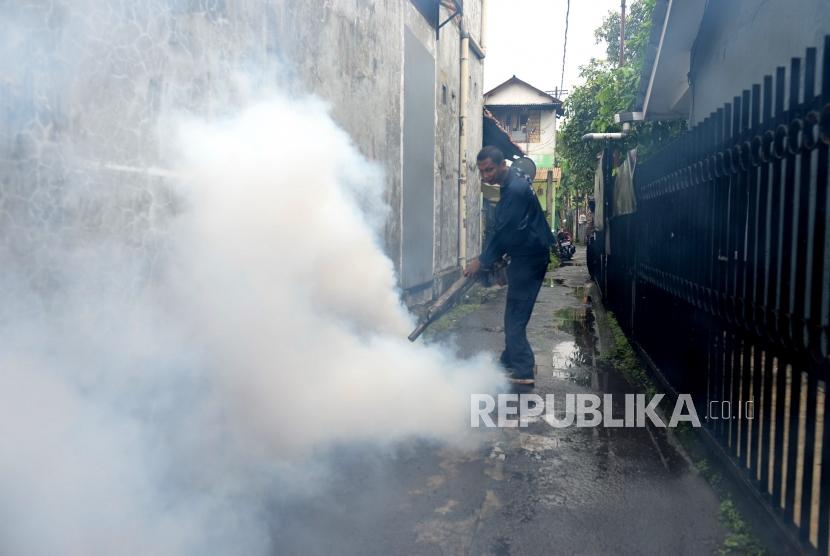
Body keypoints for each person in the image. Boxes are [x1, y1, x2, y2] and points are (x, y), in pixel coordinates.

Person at [464, 146, 552, 385]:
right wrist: (494, 262)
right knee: (513, 312)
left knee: (515, 315)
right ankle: (509, 360)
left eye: (489, 170)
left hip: (531, 258)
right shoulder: (506, 184)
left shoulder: (514, 189)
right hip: (524, 255)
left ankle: (523, 369)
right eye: (481, 172)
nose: (486, 176)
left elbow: (504, 231)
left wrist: (482, 261)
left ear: (503, 165)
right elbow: (497, 226)